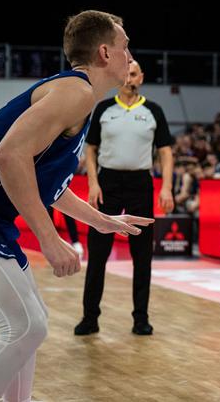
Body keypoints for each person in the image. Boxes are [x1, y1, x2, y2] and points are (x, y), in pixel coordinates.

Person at [0, 10, 154, 402]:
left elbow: (50, 188)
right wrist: (49, 238)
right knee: (24, 329)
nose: (130, 56)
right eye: (126, 47)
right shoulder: (74, 92)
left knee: (30, 326)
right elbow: (9, 156)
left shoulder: (80, 99)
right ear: (105, 53)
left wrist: (102, 220)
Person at [75, 60, 174, 336]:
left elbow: (165, 152)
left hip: (140, 182)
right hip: (108, 183)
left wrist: (166, 187)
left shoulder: (154, 111)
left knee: (142, 255)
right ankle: (89, 317)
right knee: (98, 252)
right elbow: (91, 149)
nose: (129, 77)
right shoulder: (104, 109)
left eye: (133, 73)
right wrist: (93, 183)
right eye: (126, 73)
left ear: (141, 77)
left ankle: (140, 318)